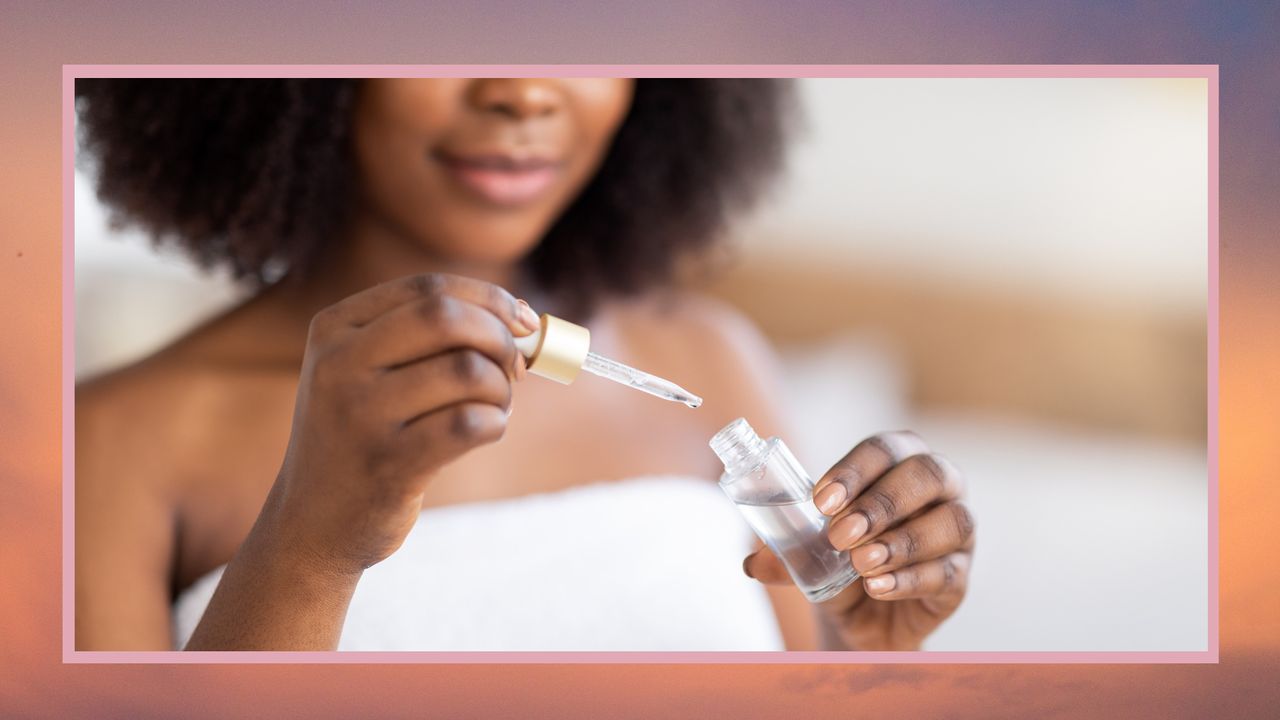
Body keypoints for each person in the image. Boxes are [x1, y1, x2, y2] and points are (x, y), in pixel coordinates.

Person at [74, 78, 974, 651]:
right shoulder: (108, 443)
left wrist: (875, 661)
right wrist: (309, 546)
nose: (522, 91)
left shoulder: (709, 355)